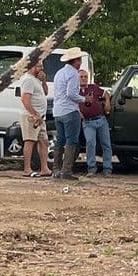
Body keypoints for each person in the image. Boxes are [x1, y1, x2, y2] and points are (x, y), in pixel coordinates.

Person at [50, 47, 85, 181]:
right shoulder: (73, 74)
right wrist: (83, 99)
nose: (80, 62)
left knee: (60, 140)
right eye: (79, 59)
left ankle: (56, 170)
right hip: (69, 110)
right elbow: (71, 94)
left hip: (58, 110)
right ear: (75, 60)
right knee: (72, 140)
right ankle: (66, 170)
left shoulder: (60, 73)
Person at [19, 59, 52, 177]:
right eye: (39, 67)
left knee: (44, 141)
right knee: (30, 141)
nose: (41, 69)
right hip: (31, 116)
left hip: (40, 117)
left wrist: (44, 81)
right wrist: (34, 114)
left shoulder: (37, 80)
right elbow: (25, 99)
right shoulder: (28, 80)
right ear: (31, 67)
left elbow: (46, 92)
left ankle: (45, 168)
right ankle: (27, 169)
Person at [78, 68, 114, 176]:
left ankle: (107, 168)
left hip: (101, 119)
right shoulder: (75, 91)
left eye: (85, 77)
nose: (84, 79)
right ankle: (91, 168)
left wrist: (108, 103)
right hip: (88, 122)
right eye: (81, 77)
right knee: (90, 143)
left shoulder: (93, 88)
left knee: (106, 144)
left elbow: (106, 93)